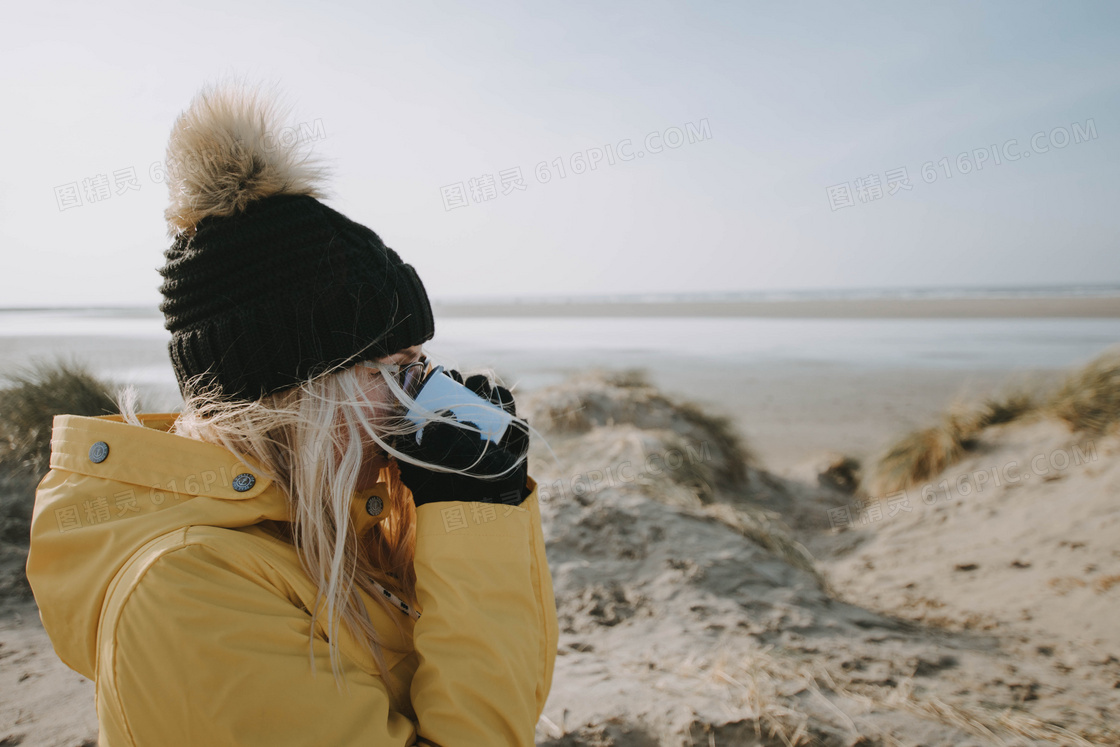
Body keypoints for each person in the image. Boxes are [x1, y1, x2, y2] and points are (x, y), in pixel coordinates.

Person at [25, 83, 559, 746]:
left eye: (419, 365)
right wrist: (474, 525)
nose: (417, 396)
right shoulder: (185, 592)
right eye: (389, 370)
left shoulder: (329, 520)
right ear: (290, 395)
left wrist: (489, 502)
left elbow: (503, 705)